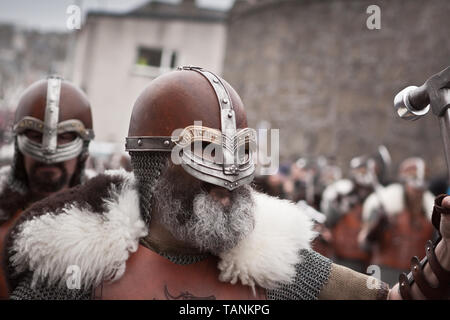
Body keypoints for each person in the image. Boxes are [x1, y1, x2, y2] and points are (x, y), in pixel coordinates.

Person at [4, 67, 450, 300]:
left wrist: (446, 258)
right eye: (206, 156)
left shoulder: (275, 262)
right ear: (153, 166)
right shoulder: (81, 265)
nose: (226, 183)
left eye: (236, 156)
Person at [0, 75, 95, 298]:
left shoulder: (107, 221)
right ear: (18, 142)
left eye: (65, 137)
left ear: (83, 149)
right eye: (35, 134)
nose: (49, 151)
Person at [358, 157, 435, 286]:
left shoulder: (431, 213)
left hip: (416, 276)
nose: (417, 192)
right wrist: (377, 227)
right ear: (405, 182)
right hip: (384, 271)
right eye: (413, 182)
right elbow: (365, 244)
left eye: (421, 187)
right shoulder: (385, 207)